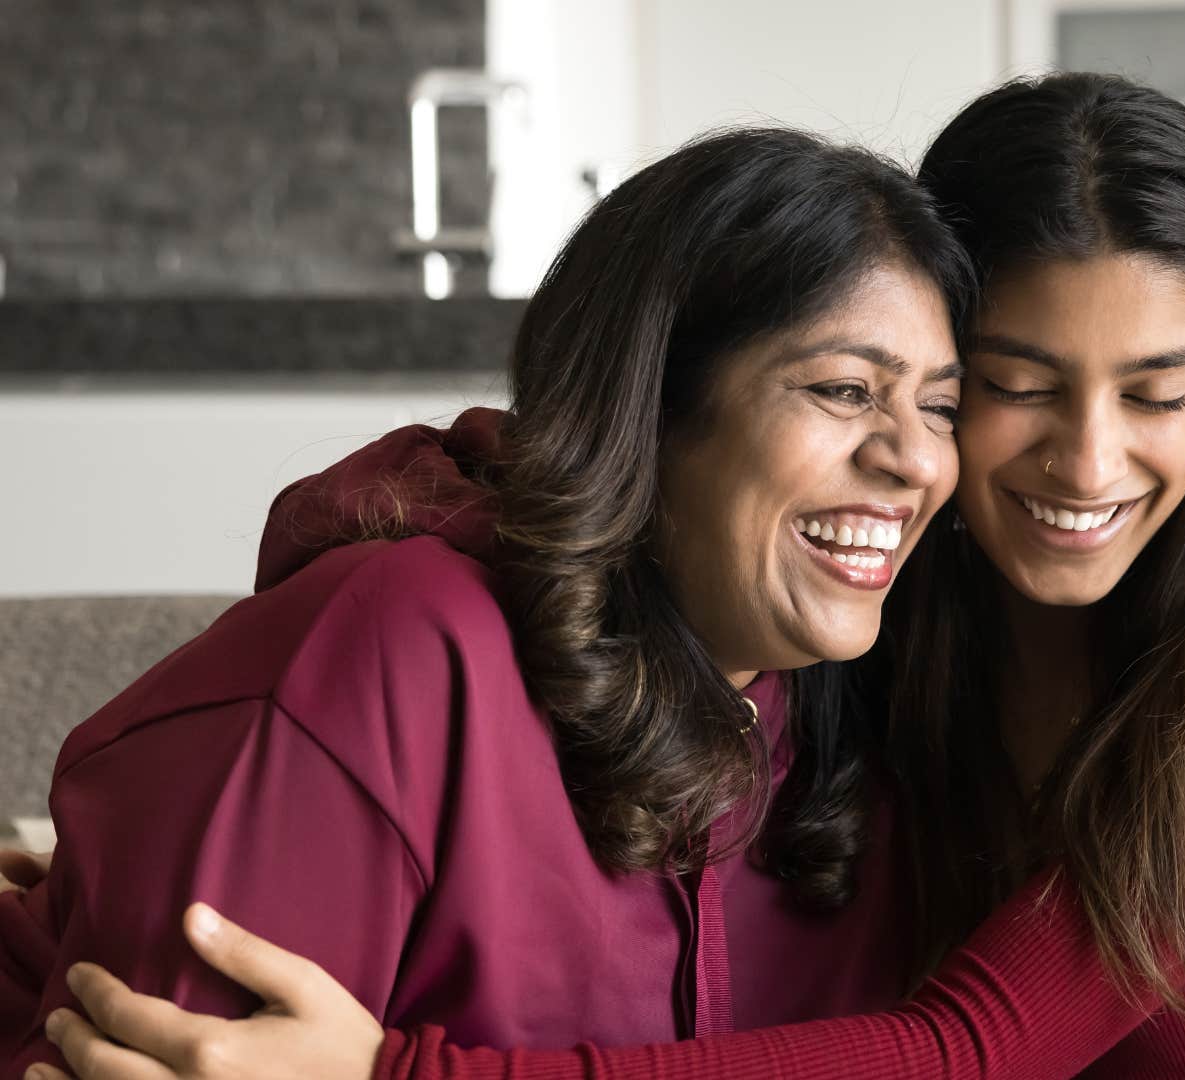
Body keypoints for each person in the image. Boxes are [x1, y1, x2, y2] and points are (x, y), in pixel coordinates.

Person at [29, 73, 1185, 1080]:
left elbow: (966, 1053)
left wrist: (395, 1075)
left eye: (1159, 393)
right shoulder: (881, 624)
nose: (1088, 463)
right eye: (1013, 389)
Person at [0, 128, 972, 1074]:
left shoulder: (882, 714)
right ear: (653, 409)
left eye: (940, 406)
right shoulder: (401, 645)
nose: (918, 458)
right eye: (846, 390)